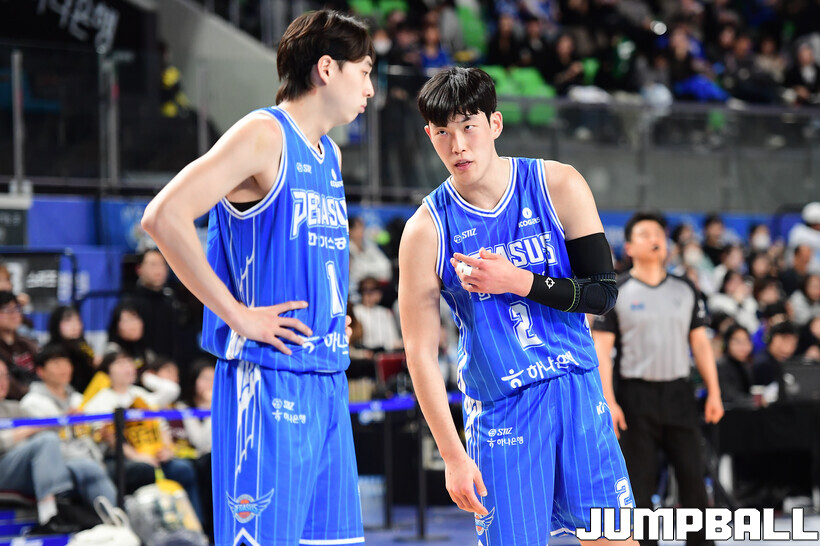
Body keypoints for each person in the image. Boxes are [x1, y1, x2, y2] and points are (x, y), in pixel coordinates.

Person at [141, 9, 374, 545]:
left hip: (328, 379)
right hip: (267, 378)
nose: (370, 89)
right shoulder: (264, 134)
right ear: (327, 69)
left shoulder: (331, 156)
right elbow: (164, 216)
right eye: (364, 72)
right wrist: (237, 315)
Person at [398, 66, 635, 545]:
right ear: (429, 135)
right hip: (503, 409)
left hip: (576, 388)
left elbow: (602, 293)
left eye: (468, 126)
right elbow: (419, 352)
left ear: (495, 124)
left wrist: (519, 281)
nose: (457, 145)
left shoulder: (559, 184)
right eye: (443, 133)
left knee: (616, 540)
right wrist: (452, 455)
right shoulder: (426, 229)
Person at [592, 211, 724, 546]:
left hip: (679, 394)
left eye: (659, 234)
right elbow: (601, 350)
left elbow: (700, 344)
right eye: (645, 234)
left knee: (693, 478)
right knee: (640, 484)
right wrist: (609, 401)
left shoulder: (686, 288)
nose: (655, 239)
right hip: (635, 398)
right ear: (629, 247)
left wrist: (714, 392)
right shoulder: (617, 291)